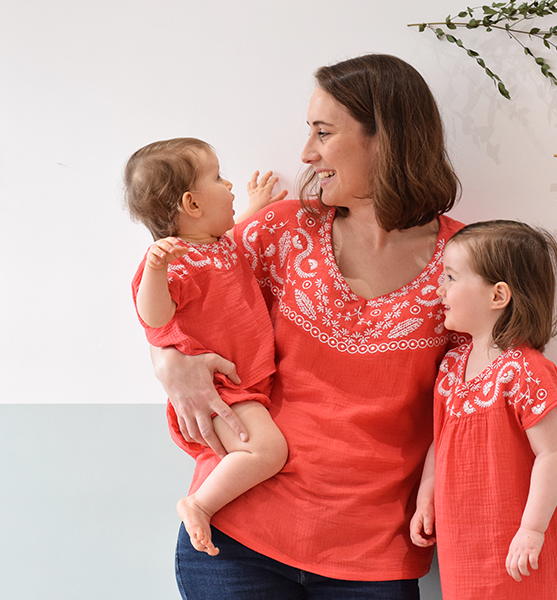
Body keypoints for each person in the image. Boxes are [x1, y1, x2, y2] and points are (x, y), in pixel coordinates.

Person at [151, 54, 463, 599]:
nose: (306, 153)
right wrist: (168, 362)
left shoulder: (466, 260)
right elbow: (179, 288)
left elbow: (470, 388)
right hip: (236, 539)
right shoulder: (278, 230)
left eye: (323, 132)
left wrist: (438, 477)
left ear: (385, 139)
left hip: (374, 555)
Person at [125, 137, 289, 556]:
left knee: (265, 447)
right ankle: (199, 504)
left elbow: (237, 227)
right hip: (221, 390)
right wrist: (157, 270)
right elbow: (155, 317)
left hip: (245, 384)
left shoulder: (219, 245)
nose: (230, 185)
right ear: (192, 205)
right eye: (218, 177)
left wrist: (256, 203)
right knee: (268, 451)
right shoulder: (171, 260)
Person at [409, 220, 557, 599]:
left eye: (451, 278)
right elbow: (441, 441)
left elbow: (552, 453)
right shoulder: (452, 366)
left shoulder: (526, 370)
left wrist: (532, 528)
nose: (440, 290)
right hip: (465, 543)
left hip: (519, 545)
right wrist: (427, 494)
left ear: (498, 295)